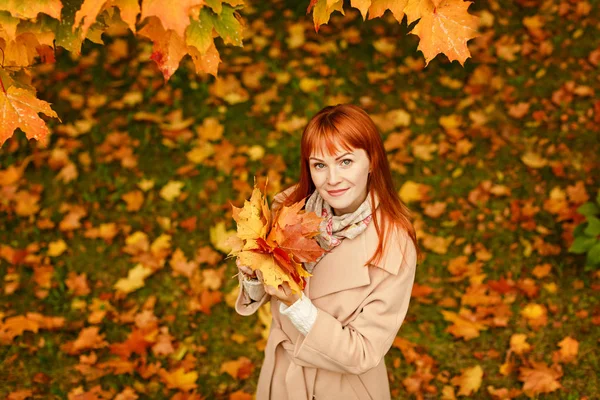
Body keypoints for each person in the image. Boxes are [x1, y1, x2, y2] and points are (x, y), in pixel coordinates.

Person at [235, 104, 418, 400]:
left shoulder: (394, 246)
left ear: (372, 161)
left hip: (342, 388)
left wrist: (297, 305)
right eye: (320, 165)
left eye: (345, 162)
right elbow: (272, 285)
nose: (332, 179)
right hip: (282, 376)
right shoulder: (291, 208)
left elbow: (363, 352)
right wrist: (255, 278)